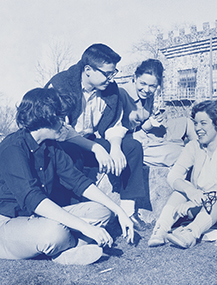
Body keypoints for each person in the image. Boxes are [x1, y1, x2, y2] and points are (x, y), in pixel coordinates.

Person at [0, 88, 134, 265]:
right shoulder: (13, 148)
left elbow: (78, 181)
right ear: (45, 118)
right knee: (55, 232)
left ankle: (63, 250)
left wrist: (119, 211)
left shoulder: (51, 145)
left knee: (102, 211)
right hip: (9, 222)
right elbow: (33, 199)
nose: (64, 124)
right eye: (60, 118)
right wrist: (86, 228)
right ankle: (73, 244)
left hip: (40, 217)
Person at [45, 43, 147, 231]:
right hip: (60, 143)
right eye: (107, 73)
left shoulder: (111, 89)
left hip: (89, 141)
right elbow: (60, 131)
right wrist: (97, 148)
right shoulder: (61, 85)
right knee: (71, 154)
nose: (111, 78)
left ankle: (128, 211)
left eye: (113, 72)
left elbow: (114, 126)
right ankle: (73, 213)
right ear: (88, 70)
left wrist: (115, 148)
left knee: (132, 147)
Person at [148, 99, 217, 248]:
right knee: (179, 191)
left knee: (214, 201)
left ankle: (190, 234)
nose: (197, 128)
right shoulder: (193, 147)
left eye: (203, 123)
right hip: (201, 204)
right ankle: (161, 230)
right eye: (195, 123)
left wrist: (200, 198)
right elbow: (174, 176)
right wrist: (190, 191)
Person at [119, 58, 197, 167]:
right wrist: (144, 129)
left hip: (149, 132)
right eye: (143, 83)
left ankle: (204, 152)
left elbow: (148, 117)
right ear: (135, 78)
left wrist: (154, 120)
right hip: (133, 142)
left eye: (152, 86)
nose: (146, 90)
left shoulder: (149, 95)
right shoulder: (121, 94)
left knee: (186, 123)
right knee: (181, 153)